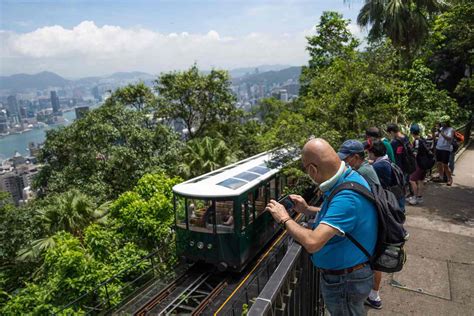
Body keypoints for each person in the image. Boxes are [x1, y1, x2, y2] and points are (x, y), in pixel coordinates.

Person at [266, 138, 377, 316]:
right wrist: (307, 209)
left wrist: (284, 219)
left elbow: (312, 242)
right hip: (348, 276)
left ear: (312, 169)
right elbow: (339, 216)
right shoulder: (349, 177)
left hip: (345, 281)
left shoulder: (346, 197)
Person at [338, 139, 384, 309]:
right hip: (374, 220)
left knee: (372, 262)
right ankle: (373, 295)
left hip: (371, 223)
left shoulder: (361, 173)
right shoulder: (366, 168)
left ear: (356, 157)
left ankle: (373, 296)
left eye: (345, 159)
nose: (343, 162)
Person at [408, 124, 427, 205]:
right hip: (425, 163)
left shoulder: (416, 141)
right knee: (420, 180)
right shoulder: (423, 139)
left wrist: (410, 149)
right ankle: (420, 198)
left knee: (412, 180)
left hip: (419, 163)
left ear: (412, 132)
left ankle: (415, 198)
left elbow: (415, 153)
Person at [434, 116, 454, 186]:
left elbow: (449, 138)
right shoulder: (441, 128)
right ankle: (441, 177)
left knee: (445, 165)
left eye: (443, 123)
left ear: (447, 123)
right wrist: (433, 131)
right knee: (439, 163)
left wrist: (441, 132)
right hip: (438, 148)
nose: (442, 124)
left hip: (446, 149)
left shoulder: (451, 129)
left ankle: (449, 179)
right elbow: (435, 135)